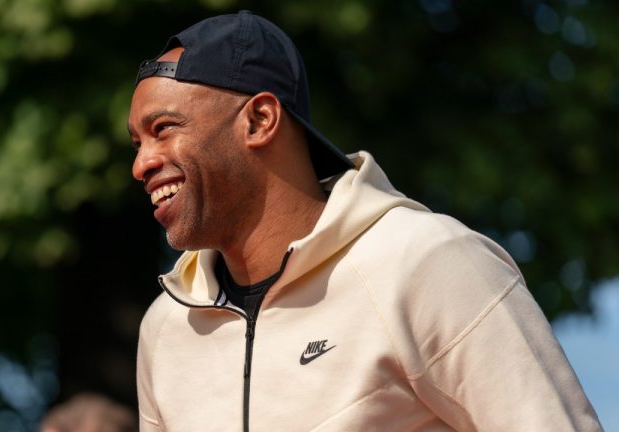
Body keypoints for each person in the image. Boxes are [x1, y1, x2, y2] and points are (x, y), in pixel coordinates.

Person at [126, 10, 603, 432]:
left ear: (260, 120)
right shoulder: (167, 328)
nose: (141, 164)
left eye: (163, 129)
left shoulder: (426, 262)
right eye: (137, 143)